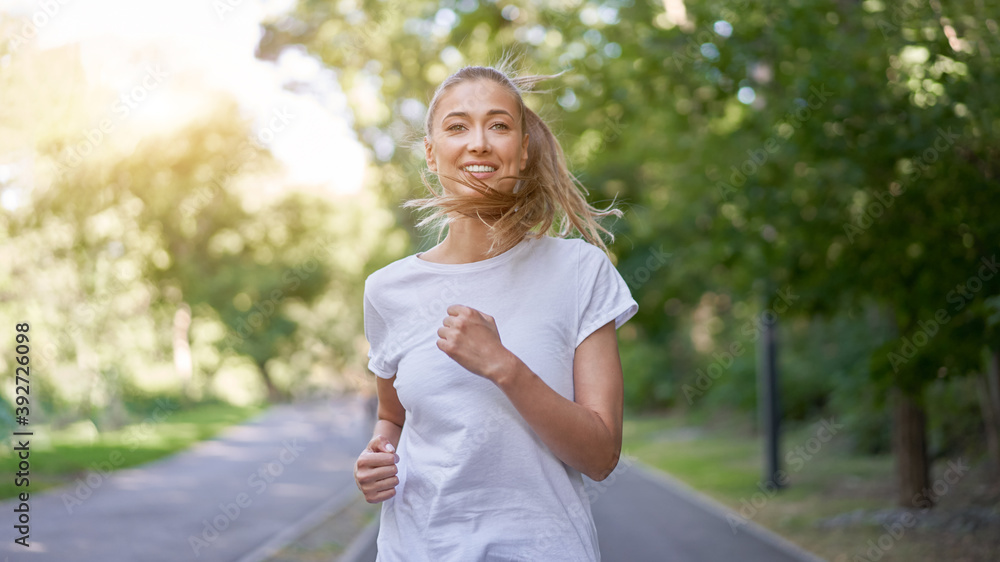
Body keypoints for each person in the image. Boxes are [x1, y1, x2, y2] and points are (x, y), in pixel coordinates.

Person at [353, 60, 639, 562]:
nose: (479, 142)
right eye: (457, 126)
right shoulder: (387, 290)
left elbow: (600, 456)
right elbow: (390, 417)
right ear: (431, 153)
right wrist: (378, 454)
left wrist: (503, 367)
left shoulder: (578, 271)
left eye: (499, 125)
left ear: (523, 152)